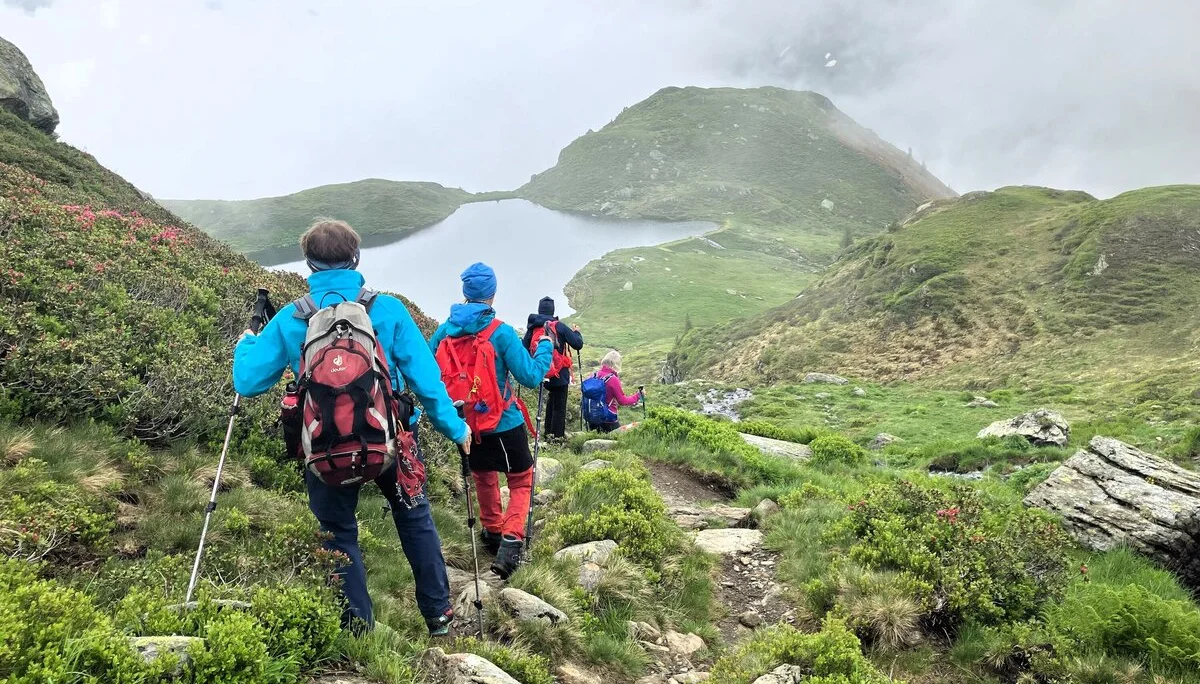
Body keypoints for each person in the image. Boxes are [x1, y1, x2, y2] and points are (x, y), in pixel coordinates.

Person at [232, 219, 471, 637]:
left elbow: (248, 381)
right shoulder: (388, 310)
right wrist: (456, 430)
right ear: (356, 258)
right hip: (392, 440)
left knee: (338, 531)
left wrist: (246, 343)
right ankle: (438, 617)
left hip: (325, 448)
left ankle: (357, 629)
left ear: (309, 264)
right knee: (414, 518)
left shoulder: (293, 318)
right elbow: (428, 383)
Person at [429, 263, 553, 579]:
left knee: (484, 477)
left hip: (467, 423)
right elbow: (531, 375)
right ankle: (511, 544)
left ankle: (493, 532)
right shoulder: (500, 332)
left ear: (465, 293)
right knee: (521, 479)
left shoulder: (444, 331)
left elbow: (428, 371)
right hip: (505, 423)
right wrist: (546, 347)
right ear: (492, 294)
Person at [522, 296, 583, 441]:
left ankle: (547, 433)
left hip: (541, 372)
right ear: (553, 310)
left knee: (550, 401)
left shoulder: (533, 328)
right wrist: (576, 333)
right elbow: (577, 344)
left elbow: (523, 348)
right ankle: (557, 439)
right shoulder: (558, 326)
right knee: (559, 406)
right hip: (559, 372)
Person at [587, 350, 643, 433]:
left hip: (592, 418)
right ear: (616, 364)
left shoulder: (593, 375)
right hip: (608, 420)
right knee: (616, 442)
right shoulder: (613, 379)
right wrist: (638, 395)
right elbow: (623, 401)